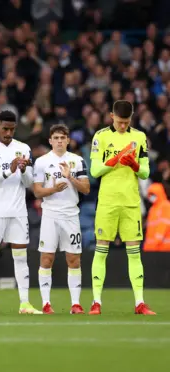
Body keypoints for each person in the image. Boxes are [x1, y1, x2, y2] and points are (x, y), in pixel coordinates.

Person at [89, 100, 155, 315]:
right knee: (101, 251)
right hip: (107, 201)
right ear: (111, 116)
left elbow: (145, 172)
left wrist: (134, 165)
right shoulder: (100, 136)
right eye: (119, 122)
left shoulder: (139, 137)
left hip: (130, 202)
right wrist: (116, 159)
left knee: (134, 253)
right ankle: (96, 302)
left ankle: (139, 303)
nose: (123, 126)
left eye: (126, 122)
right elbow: (94, 171)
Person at [0, 110, 41, 314]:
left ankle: (24, 303)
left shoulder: (23, 148)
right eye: (5, 128)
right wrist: (8, 170)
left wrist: (23, 170)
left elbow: (30, 182)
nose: (8, 133)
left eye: (12, 129)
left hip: (18, 211)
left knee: (21, 257)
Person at [32, 124, 90, 314]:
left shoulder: (77, 161)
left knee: (74, 259)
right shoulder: (41, 162)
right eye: (55, 138)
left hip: (71, 214)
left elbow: (86, 189)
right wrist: (54, 190)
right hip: (50, 214)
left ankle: (75, 303)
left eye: (62, 138)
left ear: (68, 140)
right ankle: (46, 303)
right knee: (47, 258)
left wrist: (70, 177)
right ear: (50, 141)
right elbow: (37, 191)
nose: (59, 141)